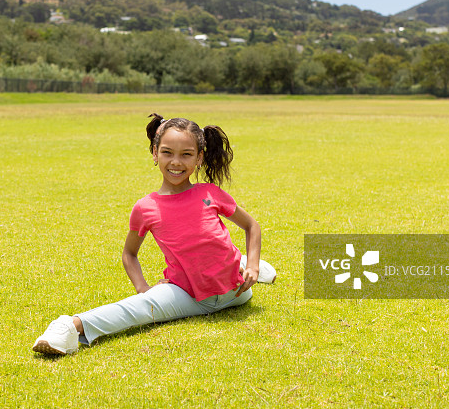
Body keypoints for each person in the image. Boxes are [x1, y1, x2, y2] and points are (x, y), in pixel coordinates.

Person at [32, 113, 276, 355]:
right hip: (187, 293)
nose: (176, 162)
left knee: (226, 252)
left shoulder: (210, 193)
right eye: (167, 152)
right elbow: (129, 253)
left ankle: (243, 261)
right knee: (139, 309)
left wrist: (252, 266)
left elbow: (251, 226)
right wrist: (142, 287)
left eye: (186, 154)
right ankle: (69, 327)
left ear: (199, 158)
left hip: (236, 294)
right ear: (155, 153)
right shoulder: (145, 208)